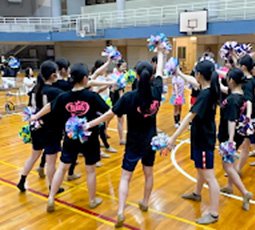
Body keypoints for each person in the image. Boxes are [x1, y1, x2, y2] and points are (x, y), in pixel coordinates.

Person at [85, 50, 164, 228]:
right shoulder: (157, 91)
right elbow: (159, 72)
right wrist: (160, 53)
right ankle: (145, 202)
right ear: (151, 76)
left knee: (125, 177)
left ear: (135, 76)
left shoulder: (129, 97)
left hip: (133, 144)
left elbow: (108, 115)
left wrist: (89, 125)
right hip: (150, 142)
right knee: (148, 174)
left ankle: (120, 211)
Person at [31, 63, 110, 212]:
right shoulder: (92, 96)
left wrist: (36, 115)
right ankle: (92, 200)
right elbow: (109, 112)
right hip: (90, 139)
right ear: (85, 79)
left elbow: (49, 107)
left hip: (70, 138)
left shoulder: (63, 96)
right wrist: (92, 123)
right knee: (90, 170)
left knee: (62, 168)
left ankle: (51, 198)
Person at [167, 60, 220, 225]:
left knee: (209, 176)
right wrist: (180, 73)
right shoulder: (207, 89)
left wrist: (173, 137)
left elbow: (189, 116)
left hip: (204, 139)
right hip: (201, 137)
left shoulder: (205, 94)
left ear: (199, 74)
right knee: (200, 169)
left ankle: (213, 213)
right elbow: (191, 82)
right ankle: (197, 194)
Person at [17, 61, 64, 194]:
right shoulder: (55, 92)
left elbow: (29, 108)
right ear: (54, 75)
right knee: (51, 161)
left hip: (36, 128)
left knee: (33, 156)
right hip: (51, 130)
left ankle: (22, 180)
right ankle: (52, 187)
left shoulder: (34, 89)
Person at [218, 68, 253, 210]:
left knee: (227, 166)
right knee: (230, 163)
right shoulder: (240, 96)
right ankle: (229, 186)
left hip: (229, 136)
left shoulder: (232, 100)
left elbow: (231, 119)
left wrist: (230, 140)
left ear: (231, 80)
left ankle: (244, 193)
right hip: (237, 135)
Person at [110, 59, 127, 145]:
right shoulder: (115, 76)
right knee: (120, 119)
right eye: (123, 66)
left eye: (125, 66)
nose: (125, 68)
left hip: (117, 97)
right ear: (118, 67)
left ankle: (104, 132)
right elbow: (117, 90)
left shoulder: (122, 75)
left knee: (110, 117)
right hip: (116, 98)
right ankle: (122, 139)